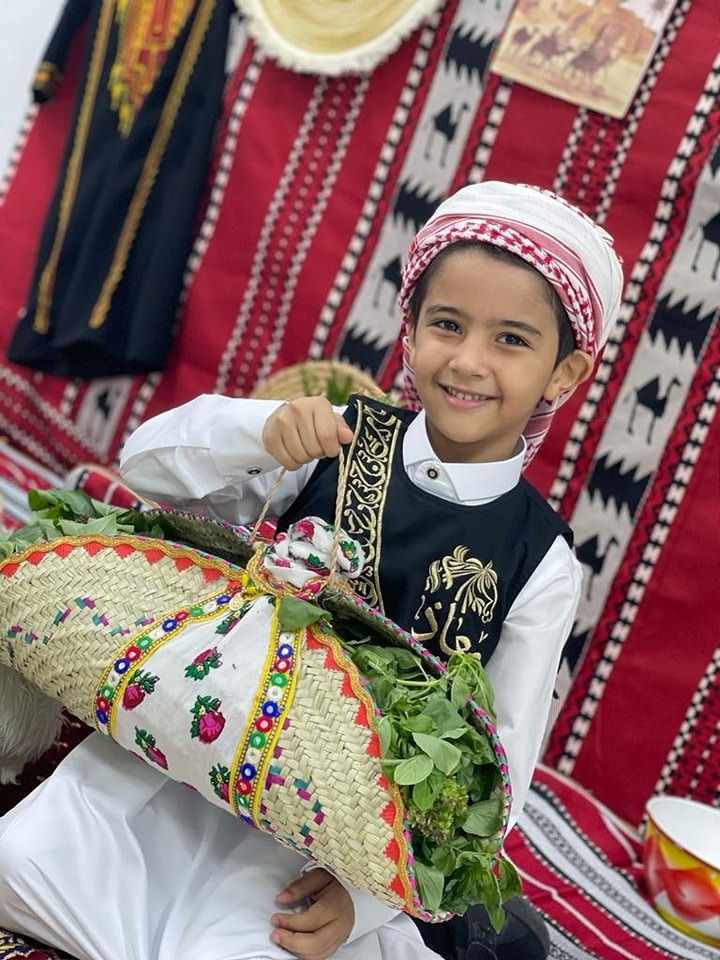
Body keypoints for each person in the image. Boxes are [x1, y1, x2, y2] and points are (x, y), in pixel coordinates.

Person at [0, 181, 623, 960]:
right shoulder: (334, 437)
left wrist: (363, 901)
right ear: (410, 327)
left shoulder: (541, 559)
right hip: (188, 744)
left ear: (565, 372)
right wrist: (257, 430)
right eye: (447, 324)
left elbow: (501, 765)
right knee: (20, 864)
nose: (468, 361)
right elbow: (145, 466)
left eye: (511, 340)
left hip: (325, 840)